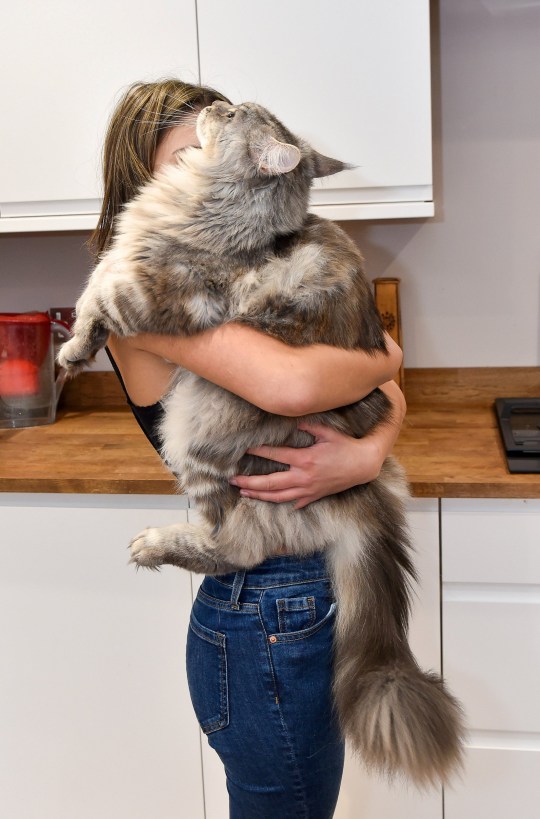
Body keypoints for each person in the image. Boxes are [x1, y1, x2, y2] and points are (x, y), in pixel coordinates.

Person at [90, 79, 406, 819]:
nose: (213, 164)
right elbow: (296, 384)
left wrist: (367, 453)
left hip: (296, 597)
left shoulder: (247, 269)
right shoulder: (143, 294)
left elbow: (385, 390)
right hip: (265, 606)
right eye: (186, 155)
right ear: (141, 179)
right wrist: (385, 356)